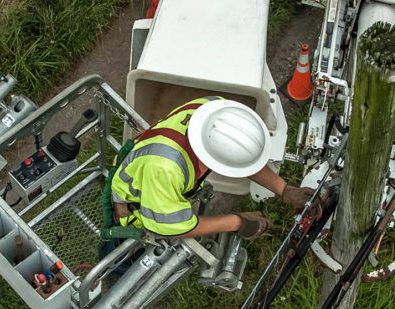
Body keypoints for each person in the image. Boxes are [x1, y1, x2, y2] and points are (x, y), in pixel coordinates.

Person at [110, 96, 313, 240]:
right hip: (135, 206)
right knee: (122, 253)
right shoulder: (166, 169)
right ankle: (118, 264)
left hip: (150, 171)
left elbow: (235, 156)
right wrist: (237, 222)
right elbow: (173, 226)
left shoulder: (213, 109)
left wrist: (284, 189)